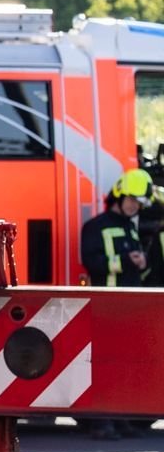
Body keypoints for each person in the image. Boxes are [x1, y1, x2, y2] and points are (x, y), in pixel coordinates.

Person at [77, 169, 162, 438]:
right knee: (105, 365)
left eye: (138, 203)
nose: (134, 206)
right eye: (132, 200)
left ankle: (120, 417)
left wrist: (142, 263)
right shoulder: (95, 227)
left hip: (128, 306)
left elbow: (138, 271)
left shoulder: (130, 227)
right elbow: (93, 263)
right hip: (106, 305)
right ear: (120, 194)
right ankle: (101, 422)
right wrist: (127, 261)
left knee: (123, 365)